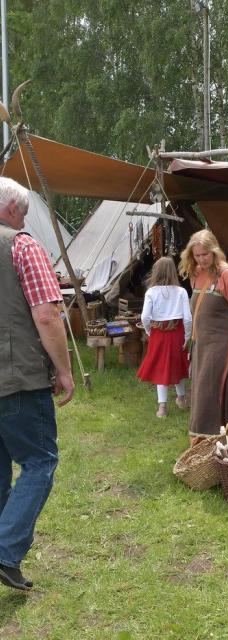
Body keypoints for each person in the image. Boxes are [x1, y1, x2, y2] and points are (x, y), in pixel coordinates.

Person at [0, 177, 74, 591]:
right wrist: (63, 370)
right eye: (24, 213)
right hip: (17, 377)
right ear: (11, 209)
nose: (25, 221)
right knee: (39, 461)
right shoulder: (22, 246)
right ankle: (5, 550)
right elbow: (46, 315)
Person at [179, 230, 228, 440]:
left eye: (205, 254)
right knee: (203, 389)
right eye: (197, 255)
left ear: (214, 251)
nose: (201, 259)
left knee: (211, 391)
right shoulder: (196, 273)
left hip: (221, 343)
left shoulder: (227, 275)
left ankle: (212, 438)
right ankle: (211, 440)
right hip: (202, 343)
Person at [137, 257, 192, 418]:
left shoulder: (151, 292)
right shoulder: (181, 292)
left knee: (161, 367)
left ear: (156, 271)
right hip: (177, 333)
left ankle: (162, 407)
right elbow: (188, 318)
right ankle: (181, 399)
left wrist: (150, 331)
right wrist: (187, 336)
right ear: (173, 271)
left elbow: (145, 317)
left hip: (158, 334)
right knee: (178, 364)